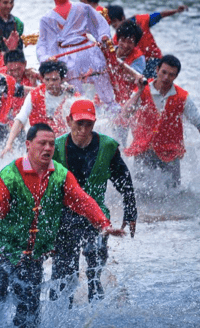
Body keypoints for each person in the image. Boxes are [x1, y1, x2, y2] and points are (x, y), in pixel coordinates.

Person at [0, 123, 125, 328]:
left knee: (29, 313)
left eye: (52, 144)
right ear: (28, 145)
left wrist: (103, 224)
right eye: (42, 143)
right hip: (1, 252)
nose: (47, 148)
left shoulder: (61, 175)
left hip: (32, 257)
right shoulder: (9, 173)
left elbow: (82, 200)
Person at [50, 99, 137, 306]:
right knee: (64, 271)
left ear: (94, 124)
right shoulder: (56, 147)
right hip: (65, 216)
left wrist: (131, 212)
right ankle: (59, 315)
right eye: (78, 123)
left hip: (97, 216)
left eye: (88, 124)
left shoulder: (107, 147)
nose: (83, 129)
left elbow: (124, 182)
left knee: (95, 268)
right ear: (69, 121)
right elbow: (43, 187)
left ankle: (95, 316)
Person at [122, 55, 200, 187]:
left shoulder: (182, 97)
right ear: (157, 69)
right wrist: (139, 92)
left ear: (176, 76)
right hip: (144, 151)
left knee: (174, 193)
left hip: (170, 153)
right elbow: (125, 114)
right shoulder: (142, 90)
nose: (166, 78)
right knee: (140, 193)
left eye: (171, 75)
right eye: (164, 72)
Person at [35, 0, 118, 114]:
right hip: (66, 59)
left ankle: (110, 109)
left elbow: (100, 25)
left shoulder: (83, 8)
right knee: (74, 97)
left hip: (88, 51)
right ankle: (78, 114)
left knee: (103, 88)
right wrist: (45, 58)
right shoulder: (46, 19)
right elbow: (42, 45)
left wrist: (104, 36)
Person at [1, 60, 76, 157]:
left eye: (54, 80)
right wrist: (9, 144)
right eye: (47, 80)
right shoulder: (35, 94)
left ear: (61, 79)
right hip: (38, 145)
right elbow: (20, 119)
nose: (50, 84)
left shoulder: (70, 96)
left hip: (63, 145)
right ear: (42, 79)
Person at [108, 4, 187, 78]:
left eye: (114, 22)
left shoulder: (141, 20)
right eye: (111, 24)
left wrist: (176, 10)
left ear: (122, 18)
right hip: (135, 62)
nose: (114, 25)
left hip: (153, 59)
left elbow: (160, 15)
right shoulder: (117, 39)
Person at [108, 19, 146, 106]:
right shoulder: (109, 51)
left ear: (136, 44)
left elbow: (132, 78)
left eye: (130, 42)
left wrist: (120, 67)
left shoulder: (139, 58)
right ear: (118, 39)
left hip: (126, 99)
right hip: (107, 94)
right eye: (123, 40)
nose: (125, 45)